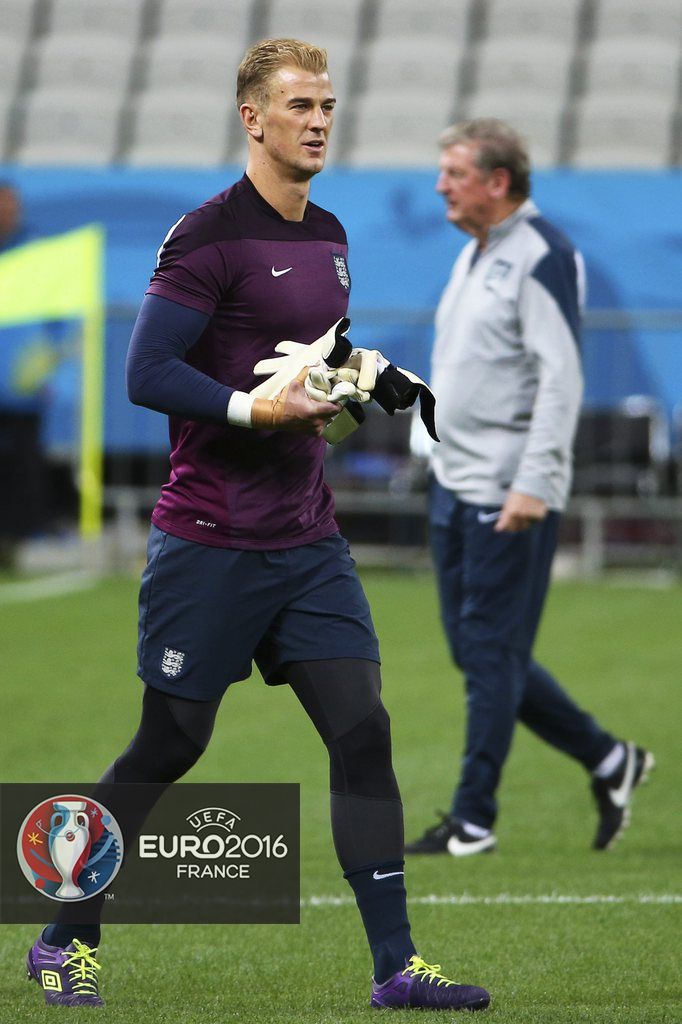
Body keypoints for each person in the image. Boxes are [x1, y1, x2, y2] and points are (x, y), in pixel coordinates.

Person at [26, 40, 490, 1013]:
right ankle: (64, 931)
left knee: (364, 731)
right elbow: (147, 374)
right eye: (298, 105)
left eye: (327, 104)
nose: (318, 119)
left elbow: (309, 353)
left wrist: (367, 374)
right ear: (252, 116)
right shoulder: (206, 237)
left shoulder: (328, 232)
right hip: (209, 539)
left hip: (306, 539)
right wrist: (257, 411)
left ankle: (396, 968)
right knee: (168, 749)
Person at [405, 119, 654, 859]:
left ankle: (473, 819)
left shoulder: (544, 255)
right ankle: (610, 760)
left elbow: (560, 379)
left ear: (498, 182)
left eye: (454, 173)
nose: (441, 186)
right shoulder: (474, 253)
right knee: (480, 651)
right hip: (455, 481)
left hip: (506, 492)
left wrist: (535, 482)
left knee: (488, 654)